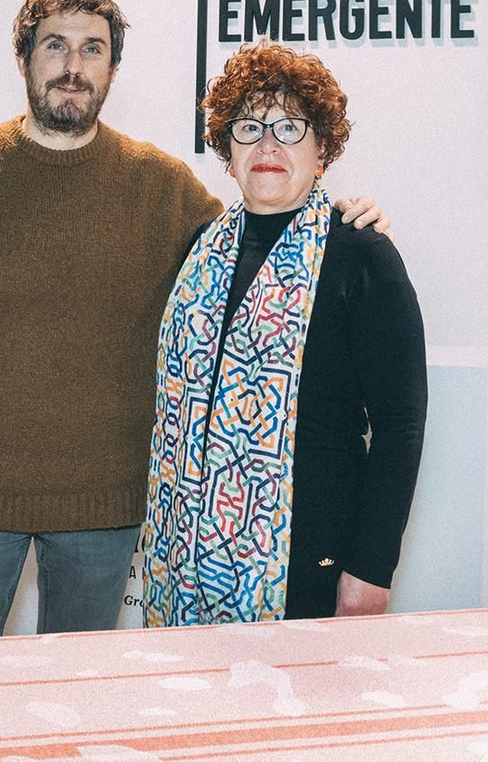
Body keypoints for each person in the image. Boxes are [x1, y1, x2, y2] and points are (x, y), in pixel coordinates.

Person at [0, 0, 388, 640]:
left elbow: (262, 235)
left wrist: (343, 220)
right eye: (54, 46)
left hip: (106, 509)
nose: (72, 65)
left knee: (82, 705)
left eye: (92, 49)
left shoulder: (160, 185)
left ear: (112, 68)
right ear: (24, 59)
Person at [142, 39, 427, 625]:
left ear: (322, 149)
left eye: (290, 127)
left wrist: (371, 569)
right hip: (182, 557)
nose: (268, 143)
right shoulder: (199, 253)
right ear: (227, 152)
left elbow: (401, 425)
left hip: (309, 559)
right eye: (248, 127)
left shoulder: (360, 253)